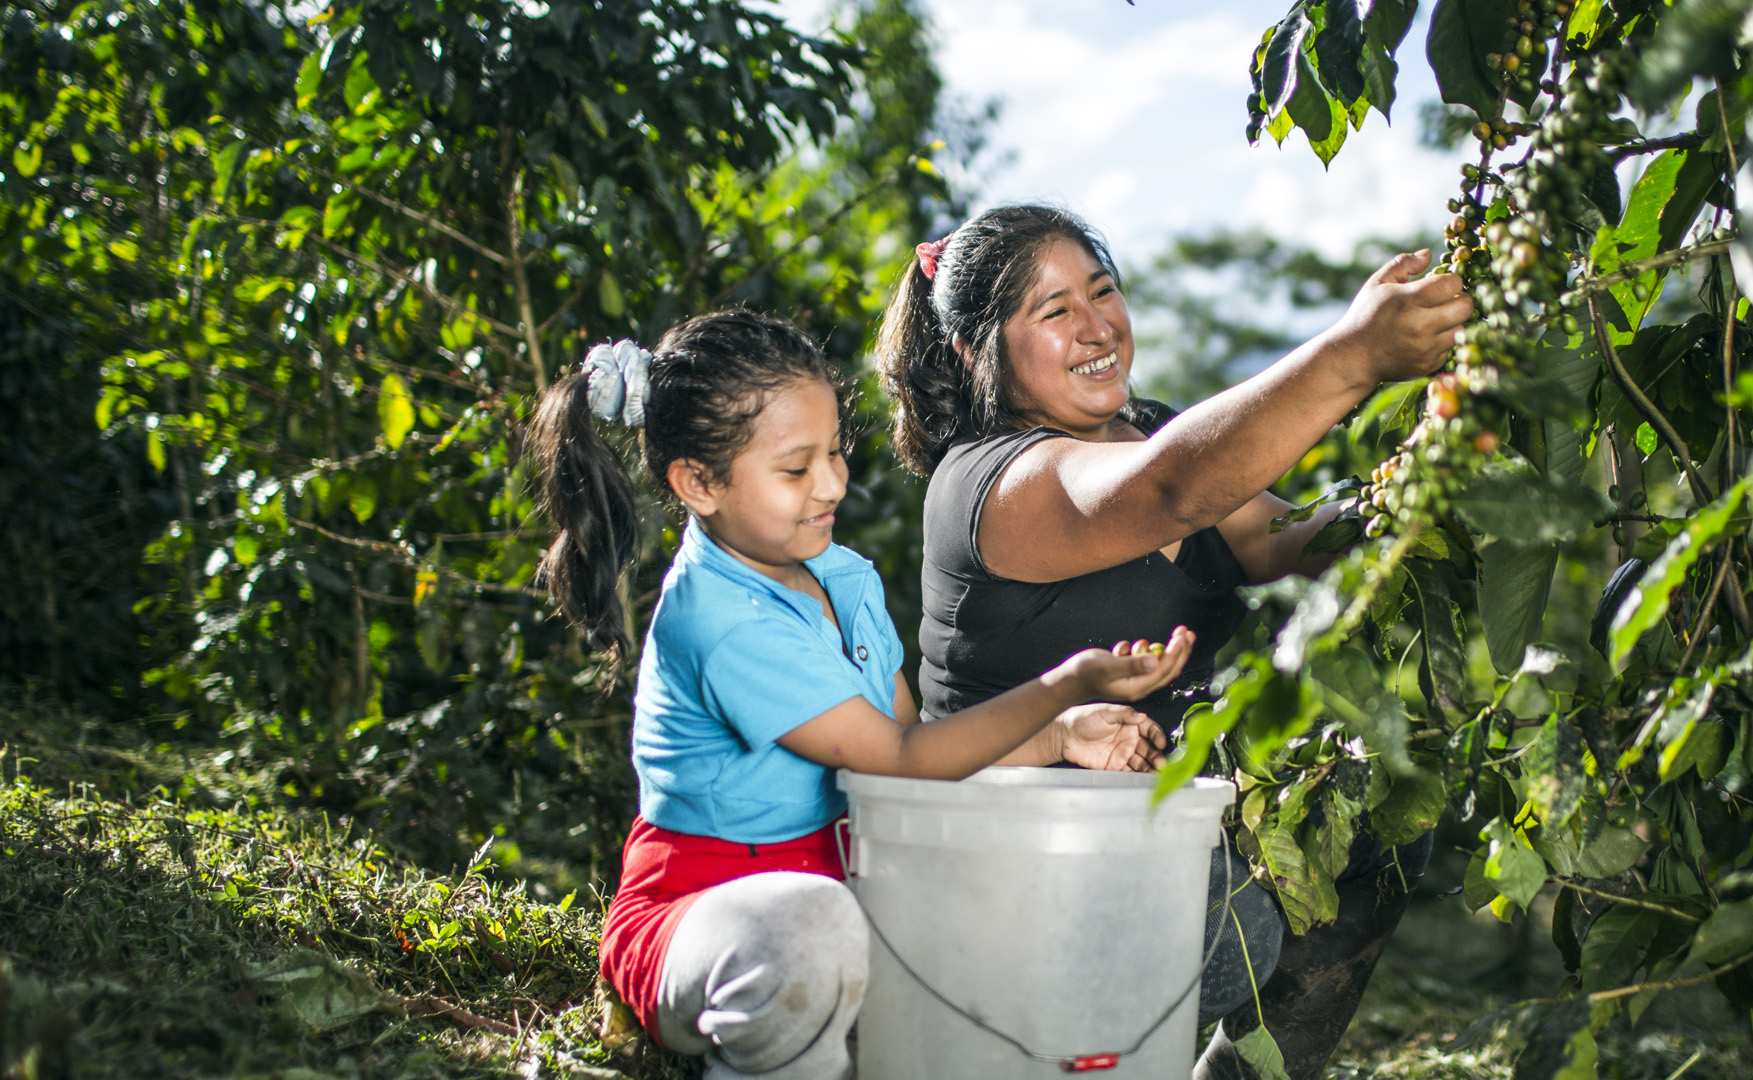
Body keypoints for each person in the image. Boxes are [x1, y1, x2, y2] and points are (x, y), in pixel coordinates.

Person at [874, 205, 1472, 1080]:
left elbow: (1277, 540)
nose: (1096, 327)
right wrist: (1354, 357)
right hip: (1011, 871)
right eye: (1054, 310)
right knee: (1233, 926)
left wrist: (1422, 484)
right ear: (975, 353)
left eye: (1102, 291)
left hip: (1144, 836)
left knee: (1379, 818)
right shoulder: (990, 480)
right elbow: (1170, 491)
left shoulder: (1145, 428)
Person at [527, 309, 1196, 1080]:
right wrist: (1062, 686)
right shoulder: (720, 619)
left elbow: (909, 735)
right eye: (795, 468)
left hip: (850, 880)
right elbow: (900, 760)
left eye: (836, 453)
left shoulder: (840, 575)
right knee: (810, 932)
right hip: (716, 915)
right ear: (698, 483)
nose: (832, 483)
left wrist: (1062, 736)